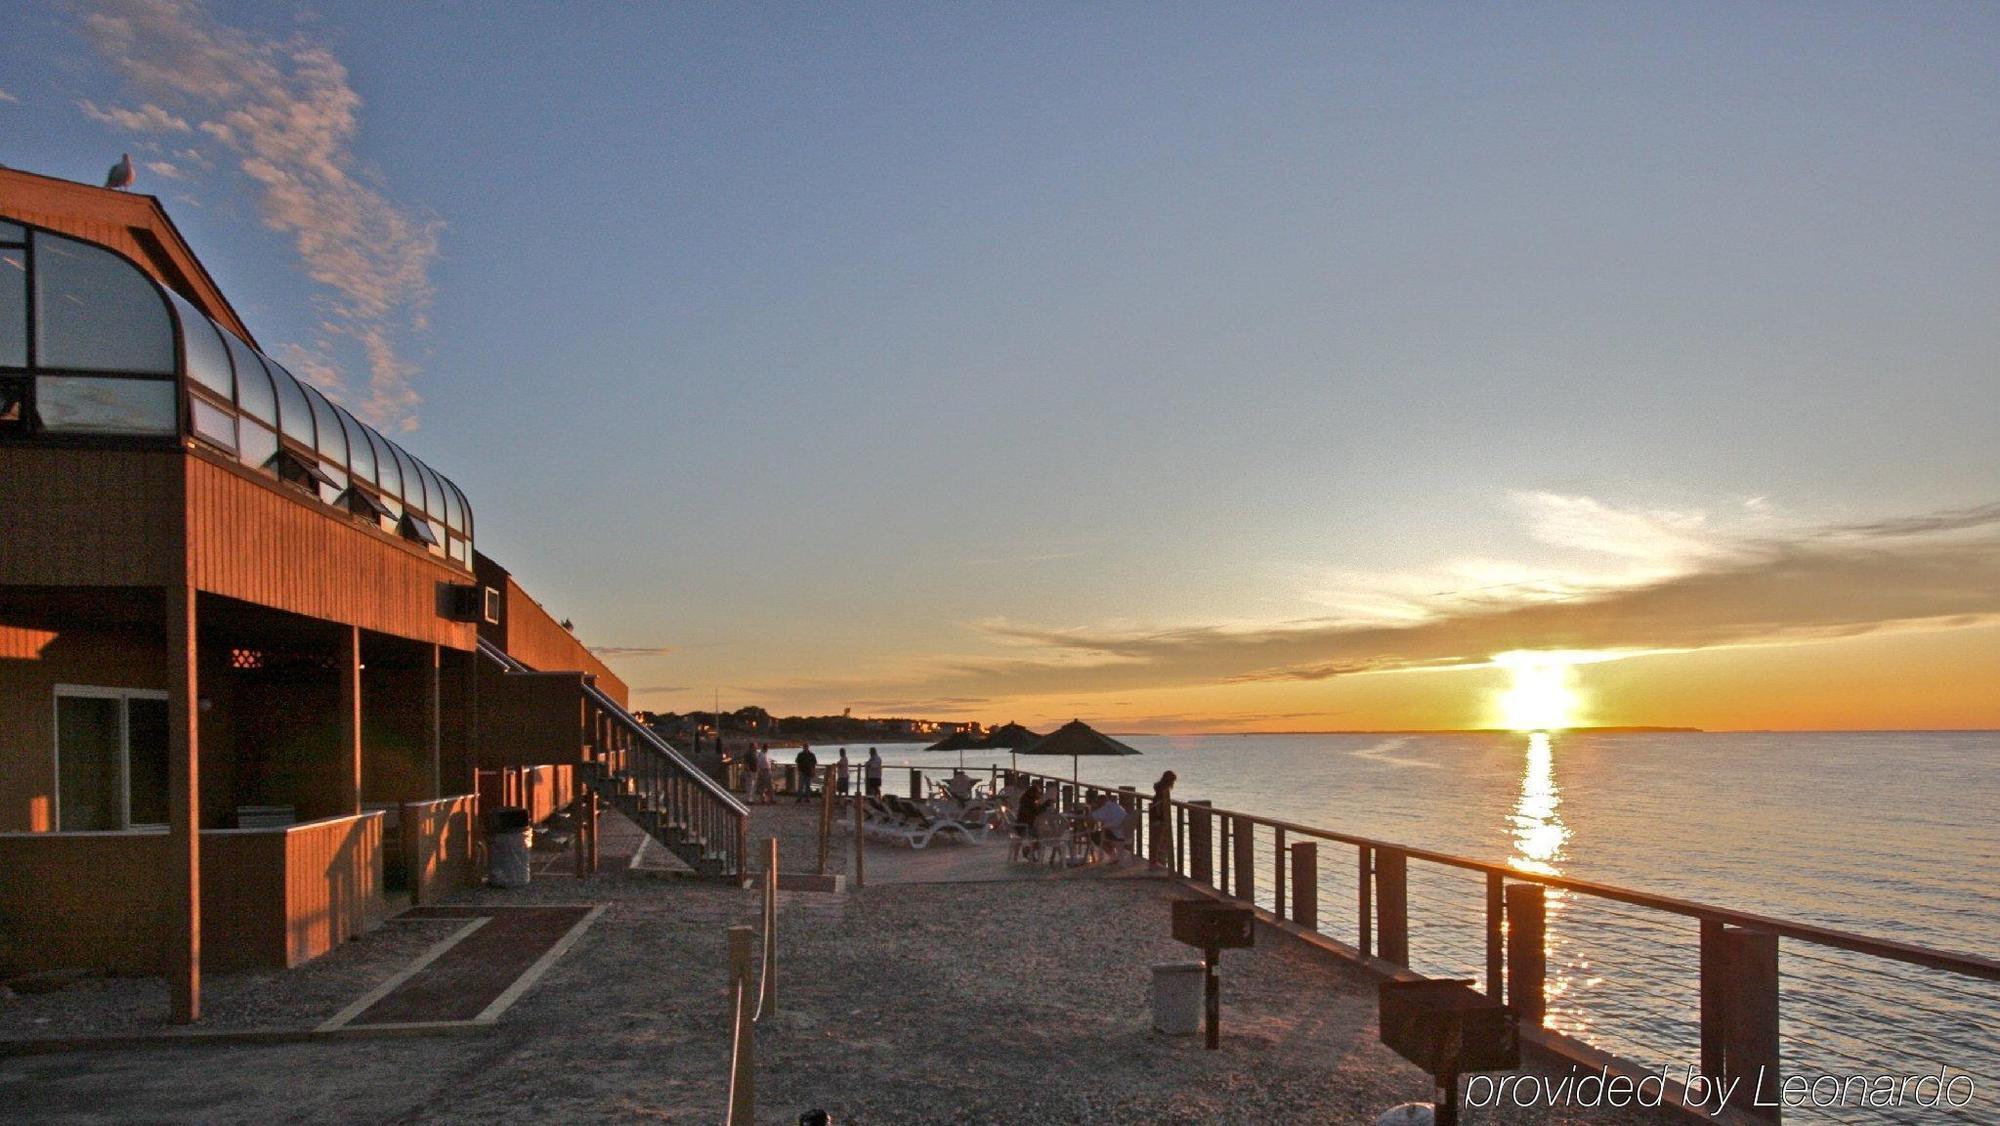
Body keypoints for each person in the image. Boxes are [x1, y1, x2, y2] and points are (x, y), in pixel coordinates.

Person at [1090, 790, 1129, 861]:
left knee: (1094, 836)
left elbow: (1092, 817)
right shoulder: (1116, 806)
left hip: (1117, 833)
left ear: (1101, 802)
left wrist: (1093, 808)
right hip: (1127, 833)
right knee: (1103, 831)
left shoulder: (1105, 808)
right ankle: (1114, 854)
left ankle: (1112, 855)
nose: (1097, 804)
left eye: (1098, 802)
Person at [1149, 770, 1176, 867]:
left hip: (1155, 816)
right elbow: (1160, 806)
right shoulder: (1163, 791)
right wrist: (1161, 818)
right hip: (1159, 818)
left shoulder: (1159, 790)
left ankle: (1155, 860)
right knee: (1157, 840)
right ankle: (1154, 861)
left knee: (1156, 839)